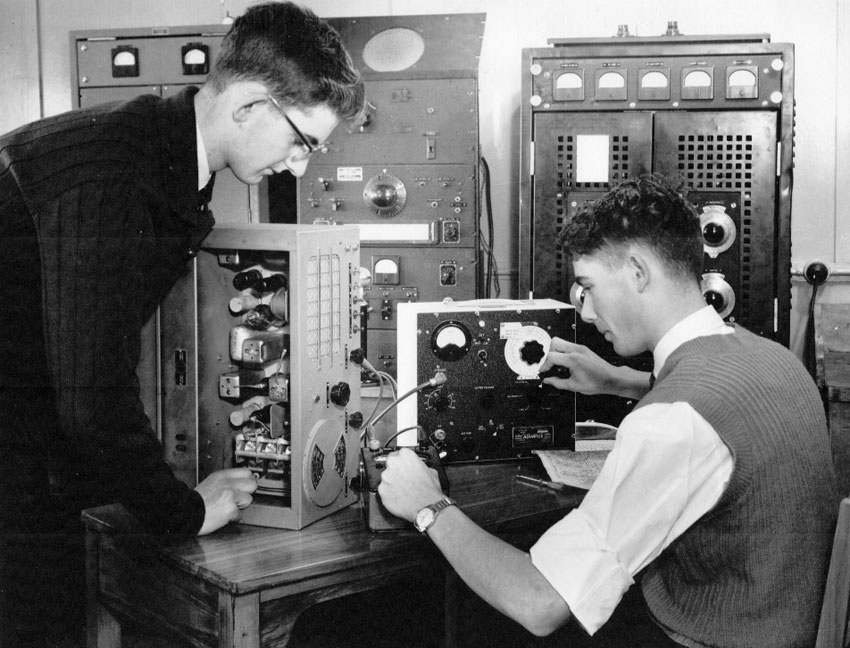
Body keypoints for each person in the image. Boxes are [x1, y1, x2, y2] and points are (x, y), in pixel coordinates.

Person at [0, 3, 364, 646]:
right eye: (303, 141)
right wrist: (184, 511)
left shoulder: (157, 157)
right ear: (250, 104)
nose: (301, 165)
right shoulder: (114, 174)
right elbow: (90, 396)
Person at [378, 174, 838, 647]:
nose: (588, 312)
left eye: (589, 287)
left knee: (483, 618)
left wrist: (427, 505)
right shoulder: (773, 358)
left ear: (638, 272)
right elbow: (716, 405)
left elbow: (539, 603)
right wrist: (615, 380)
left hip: (702, 638)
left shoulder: (671, 425)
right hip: (779, 622)